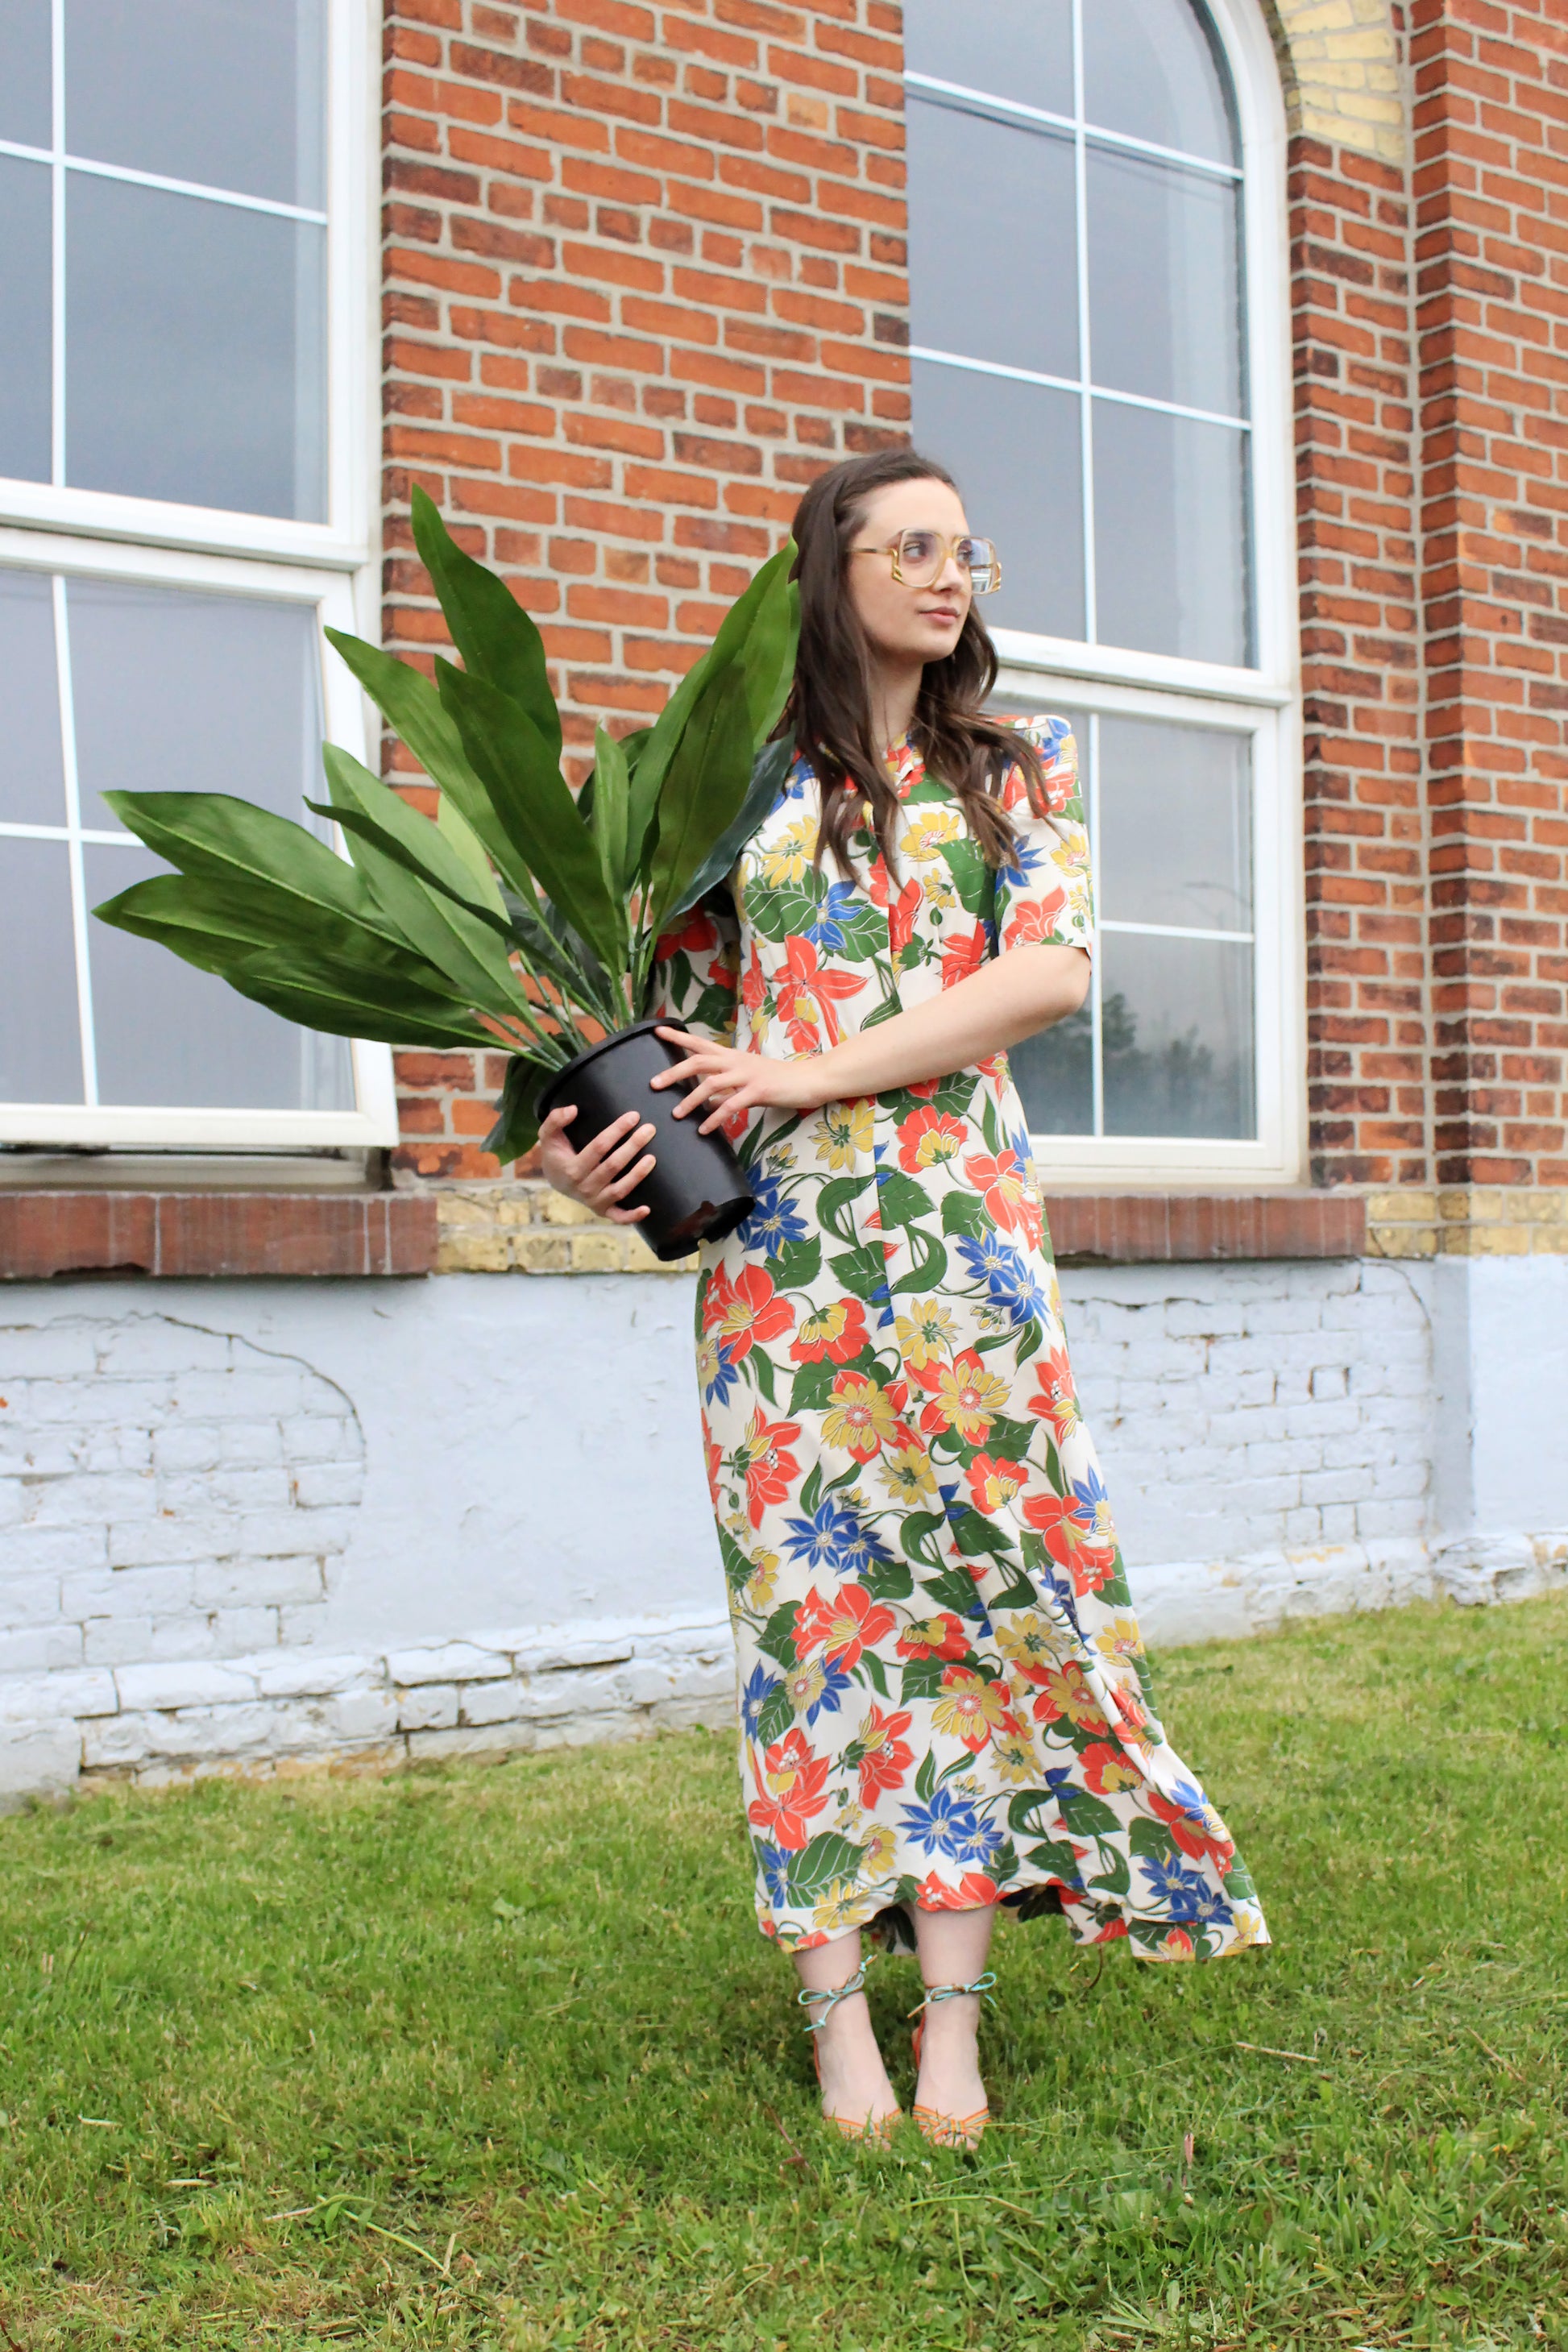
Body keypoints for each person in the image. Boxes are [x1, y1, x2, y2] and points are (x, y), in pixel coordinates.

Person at [539, 448, 1268, 2148]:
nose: (950, 576)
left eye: (964, 549)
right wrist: (575, 1157)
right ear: (832, 566)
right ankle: (832, 2022)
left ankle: (950, 2015)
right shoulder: (734, 787)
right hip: (781, 1267)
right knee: (812, 1623)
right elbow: (643, 1026)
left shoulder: (1016, 768)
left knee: (967, 1594)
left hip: (962, 1245)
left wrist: (806, 1067)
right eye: (911, 546)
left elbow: (1046, 971)